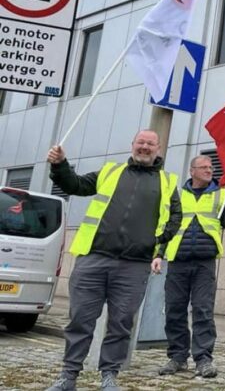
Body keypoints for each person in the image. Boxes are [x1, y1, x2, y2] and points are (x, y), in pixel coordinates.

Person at [45, 130, 182, 391]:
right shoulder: (110, 171)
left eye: (150, 143)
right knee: (80, 319)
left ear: (159, 148)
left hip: (134, 266)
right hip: (94, 259)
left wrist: (154, 242)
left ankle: (109, 375)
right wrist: (60, 164)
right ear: (132, 145)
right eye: (140, 142)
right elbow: (75, 185)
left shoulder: (167, 182)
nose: (144, 147)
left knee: (121, 322)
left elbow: (176, 217)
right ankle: (68, 376)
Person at [156, 154, 225, 378]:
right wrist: (158, 253)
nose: (209, 170)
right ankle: (177, 357)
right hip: (177, 261)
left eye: (211, 167)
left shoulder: (220, 194)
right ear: (192, 171)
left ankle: (203, 359)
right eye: (203, 167)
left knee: (203, 310)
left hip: (204, 263)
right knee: (174, 310)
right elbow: (167, 226)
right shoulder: (178, 195)